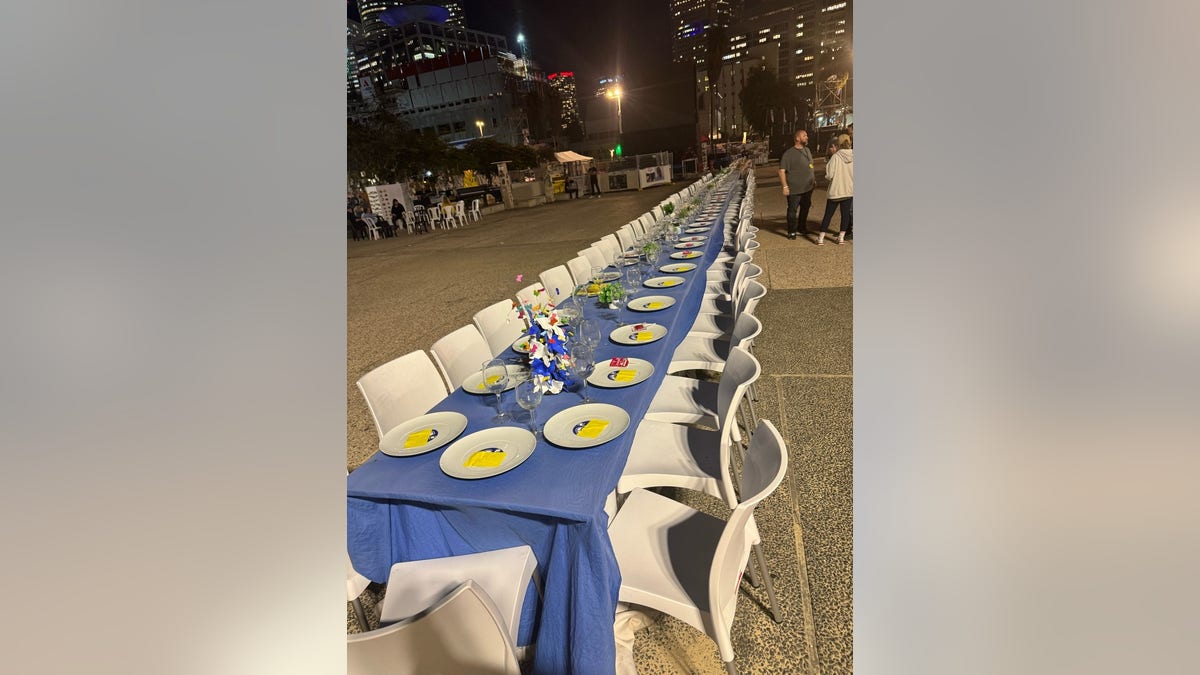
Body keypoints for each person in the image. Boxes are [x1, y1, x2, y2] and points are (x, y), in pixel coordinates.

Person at [816, 134, 853, 245]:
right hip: (849, 190)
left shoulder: (836, 157)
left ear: (839, 144)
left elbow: (829, 175)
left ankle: (821, 238)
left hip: (836, 191)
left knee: (828, 215)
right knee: (845, 214)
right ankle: (841, 237)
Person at [778, 129, 815, 240]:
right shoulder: (788, 154)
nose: (807, 137)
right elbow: (781, 171)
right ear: (797, 138)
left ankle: (802, 227)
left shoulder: (807, 150)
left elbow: (811, 166)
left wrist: (813, 180)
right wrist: (785, 186)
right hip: (794, 189)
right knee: (792, 210)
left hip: (808, 187)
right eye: (804, 135)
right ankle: (792, 231)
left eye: (806, 135)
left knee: (805, 208)